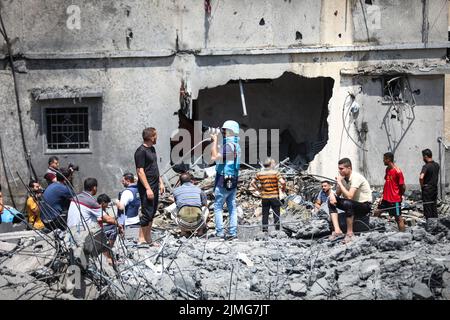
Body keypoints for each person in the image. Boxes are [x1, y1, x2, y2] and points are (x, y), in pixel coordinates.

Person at [328, 158, 372, 243]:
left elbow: (350, 196)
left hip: (364, 206)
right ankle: (337, 230)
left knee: (348, 202)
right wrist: (333, 194)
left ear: (349, 168)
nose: (340, 171)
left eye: (342, 169)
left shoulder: (356, 177)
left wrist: (340, 183)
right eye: (339, 169)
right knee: (331, 200)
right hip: (352, 204)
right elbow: (338, 193)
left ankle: (350, 233)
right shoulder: (343, 179)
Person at [210, 120, 241, 240]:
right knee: (232, 207)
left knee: (218, 207)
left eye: (225, 130)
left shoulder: (228, 146)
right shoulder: (236, 145)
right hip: (233, 179)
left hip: (223, 179)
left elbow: (214, 157)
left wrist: (214, 141)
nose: (223, 132)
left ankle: (220, 232)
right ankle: (233, 232)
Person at [134, 127, 165, 246]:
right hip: (146, 187)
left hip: (155, 184)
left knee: (152, 212)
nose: (157, 137)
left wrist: (161, 182)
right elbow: (140, 171)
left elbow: (155, 167)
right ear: (151, 137)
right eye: (156, 135)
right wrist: (148, 188)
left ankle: (148, 239)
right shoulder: (140, 151)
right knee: (146, 212)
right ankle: (141, 239)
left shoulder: (152, 149)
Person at [250, 158, 286, 232]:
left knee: (265, 214)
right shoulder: (276, 173)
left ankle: (265, 231)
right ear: (270, 164)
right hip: (274, 196)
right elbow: (283, 182)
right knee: (276, 214)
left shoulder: (259, 173)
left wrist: (258, 190)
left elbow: (252, 183)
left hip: (265, 197)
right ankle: (277, 230)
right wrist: (283, 189)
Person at [375, 152, 406, 232]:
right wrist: (382, 196)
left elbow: (403, 186)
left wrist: (399, 196)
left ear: (388, 159)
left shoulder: (398, 171)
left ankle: (403, 235)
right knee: (377, 213)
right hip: (385, 199)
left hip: (395, 200)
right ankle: (374, 231)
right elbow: (387, 183)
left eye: (384, 159)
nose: (383, 161)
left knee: (398, 218)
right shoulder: (387, 169)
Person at [173, 172, 208, 237]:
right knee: (206, 209)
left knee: (172, 209)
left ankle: (183, 232)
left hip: (184, 224)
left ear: (180, 182)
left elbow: (177, 204)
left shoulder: (175, 191)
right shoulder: (199, 190)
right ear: (191, 180)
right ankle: (200, 231)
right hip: (197, 224)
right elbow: (205, 204)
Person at [98, 194, 124, 265]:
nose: (107, 205)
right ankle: (107, 256)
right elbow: (108, 220)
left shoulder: (103, 210)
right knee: (113, 229)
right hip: (98, 231)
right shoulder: (98, 210)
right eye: (106, 203)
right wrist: (118, 225)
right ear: (103, 202)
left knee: (114, 227)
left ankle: (109, 253)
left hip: (101, 229)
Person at [420, 148, 440, 219]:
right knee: (433, 205)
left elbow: (421, 177)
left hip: (427, 189)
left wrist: (422, 185)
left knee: (427, 206)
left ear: (425, 156)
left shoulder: (426, 166)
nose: (422, 158)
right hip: (434, 188)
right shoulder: (437, 165)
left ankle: (429, 224)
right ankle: (436, 223)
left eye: (423, 157)